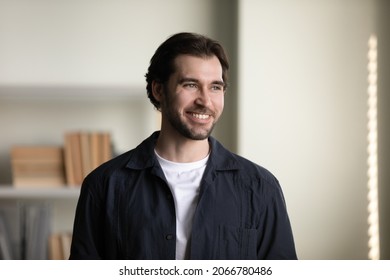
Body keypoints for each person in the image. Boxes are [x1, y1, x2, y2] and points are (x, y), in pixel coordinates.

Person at [69, 32, 297, 260]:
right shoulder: (103, 186)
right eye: (191, 85)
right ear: (159, 90)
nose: (205, 101)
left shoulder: (260, 187)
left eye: (215, 87)